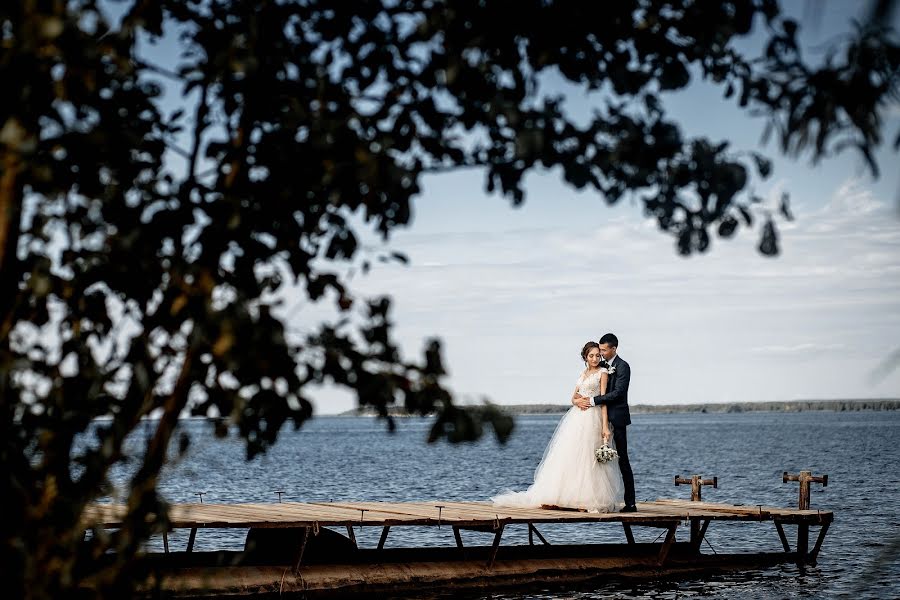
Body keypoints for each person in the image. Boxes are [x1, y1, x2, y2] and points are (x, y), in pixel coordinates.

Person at [491, 341, 624, 512]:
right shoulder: (583, 374)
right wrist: (577, 401)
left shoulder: (603, 373)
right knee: (572, 456)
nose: (595, 358)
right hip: (577, 418)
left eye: (598, 355)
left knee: (590, 459)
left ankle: (588, 498)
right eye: (591, 355)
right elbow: (573, 396)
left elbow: (604, 400)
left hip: (594, 416)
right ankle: (566, 495)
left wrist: (605, 426)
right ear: (585, 357)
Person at [573, 333, 636, 512]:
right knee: (594, 458)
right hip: (598, 418)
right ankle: (592, 496)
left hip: (617, 418)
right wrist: (577, 401)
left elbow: (617, 393)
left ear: (613, 349)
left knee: (622, 458)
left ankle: (630, 503)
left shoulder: (623, 367)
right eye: (598, 350)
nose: (600, 354)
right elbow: (580, 391)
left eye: (603, 350)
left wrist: (592, 400)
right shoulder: (600, 366)